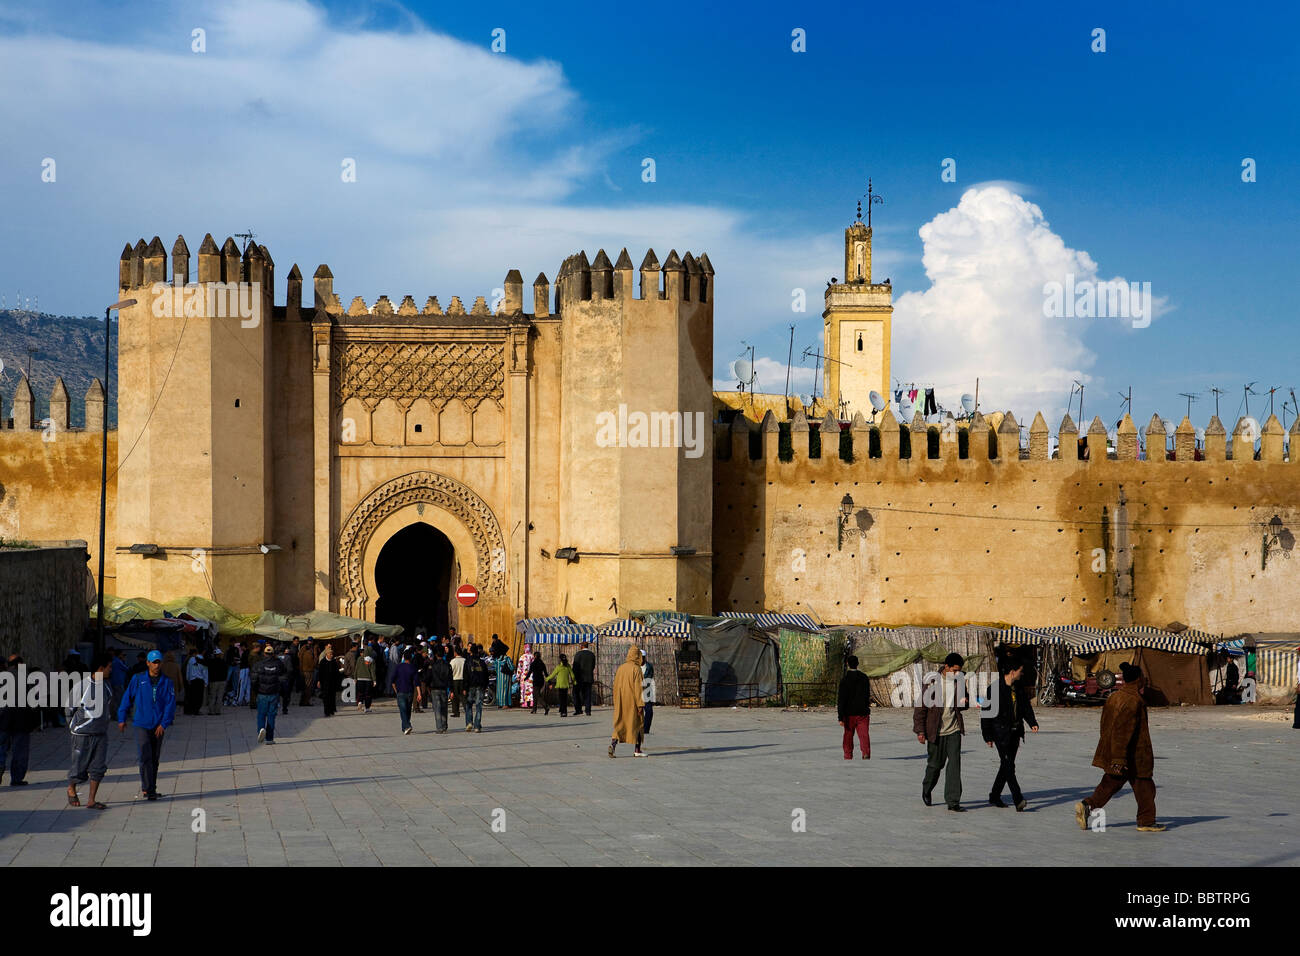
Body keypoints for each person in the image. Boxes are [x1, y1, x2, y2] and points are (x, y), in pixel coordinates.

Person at [1076, 662, 1166, 832]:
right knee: (1144, 786)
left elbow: (1105, 725)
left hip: (1117, 751)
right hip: (1132, 754)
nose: (1145, 679)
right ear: (1138, 679)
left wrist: (1111, 751)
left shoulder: (1114, 697)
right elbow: (1122, 731)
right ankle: (1146, 821)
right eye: (1143, 677)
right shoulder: (1134, 701)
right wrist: (1119, 757)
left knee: (1111, 784)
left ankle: (1087, 805)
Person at [980, 656, 1038, 810]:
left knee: (1007, 765)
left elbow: (1025, 706)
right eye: (1020, 671)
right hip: (1000, 733)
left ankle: (994, 795)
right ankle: (1018, 798)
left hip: (1015, 732)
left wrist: (1032, 722)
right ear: (1012, 672)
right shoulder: (994, 689)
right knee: (1008, 766)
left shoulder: (1017, 687)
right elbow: (986, 713)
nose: (1022, 674)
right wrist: (987, 735)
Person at [117, 650, 176, 800]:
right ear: (148, 663)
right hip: (141, 724)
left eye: (158, 662)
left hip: (158, 726)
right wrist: (121, 718)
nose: (157, 665)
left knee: (154, 758)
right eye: (154, 662)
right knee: (145, 756)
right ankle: (147, 789)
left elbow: (170, 704)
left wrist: (164, 724)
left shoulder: (167, 682)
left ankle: (151, 787)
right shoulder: (138, 679)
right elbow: (127, 698)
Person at [913, 653, 969, 812]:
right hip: (935, 732)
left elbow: (963, 702)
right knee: (935, 765)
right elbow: (921, 708)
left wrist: (965, 701)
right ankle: (927, 788)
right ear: (946, 667)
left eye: (959, 671)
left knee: (954, 765)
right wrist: (920, 731)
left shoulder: (959, 681)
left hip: (954, 730)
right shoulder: (931, 682)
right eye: (955, 670)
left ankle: (953, 801)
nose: (957, 674)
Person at [67, 652, 114, 810]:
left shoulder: (107, 686)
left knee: (98, 767)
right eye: (109, 667)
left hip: (101, 734)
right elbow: (69, 708)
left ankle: (91, 800)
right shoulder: (82, 686)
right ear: (101, 668)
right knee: (79, 767)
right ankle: (71, 787)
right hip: (82, 735)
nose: (111, 670)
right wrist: (74, 727)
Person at [0, 655, 40, 786]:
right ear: (21, 663)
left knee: (1, 747)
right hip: (21, 719)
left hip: (3, 719)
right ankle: (17, 778)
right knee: (20, 750)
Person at [609, 646, 645, 757]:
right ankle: (637, 750)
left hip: (621, 700)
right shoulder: (636, 669)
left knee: (620, 723)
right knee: (638, 723)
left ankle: (613, 745)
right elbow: (638, 688)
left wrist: (616, 700)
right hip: (632, 702)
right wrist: (640, 704)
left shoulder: (621, 668)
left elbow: (615, 686)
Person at [251, 643, 289, 743]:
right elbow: (285, 677)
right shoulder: (279, 664)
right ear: (273, 654)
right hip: (273, 693)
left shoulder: (258, 665)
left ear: (264, 654)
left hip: (262, 693)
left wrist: (256, 690)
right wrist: (278, 686)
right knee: (271, 715)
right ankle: (269, 738)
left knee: (261, 714)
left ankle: (261, 729)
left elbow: (253, 680)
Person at [837, 655, 871, 759]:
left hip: (849, 713)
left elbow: (841, 700)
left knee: (848, 735)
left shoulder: (845, 680)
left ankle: (848, 755)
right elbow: (867, 695)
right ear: (858, 664)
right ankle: (866, 752)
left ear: (847, 664)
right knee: (864, 734)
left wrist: (840, 716)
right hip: (862, 712)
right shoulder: (864, 678)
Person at [393, 649, 420, 735]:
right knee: (407, 710)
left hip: (400, 691)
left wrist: (396, 690)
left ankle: (407, 726)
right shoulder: (413, 668)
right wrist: (419, 694)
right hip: (410, 692)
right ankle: (405, 727)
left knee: (403, 710)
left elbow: (392, 680)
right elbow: (416, 682)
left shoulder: (398, 667)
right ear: (411, 658)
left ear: (403, 657)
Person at [462, 645, 488, 732]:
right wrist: (485, 686)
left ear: (471, 652)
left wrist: (464, 688)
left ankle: (469, 722)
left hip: (470, 686)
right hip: (480, 686)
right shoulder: (482, 662)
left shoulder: (467, 662)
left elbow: (465, 676)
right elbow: (486, 675)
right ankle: (477, 726)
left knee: (468, 704)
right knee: (478, 706)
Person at [426, 645, 452, 733]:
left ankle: (439, 727)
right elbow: (450, 677)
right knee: (444, 708)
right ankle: (444, 726)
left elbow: (428, 677)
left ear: (436, 654)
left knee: (437, 708)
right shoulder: (447, 665)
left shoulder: (433, 665)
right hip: (444, 688)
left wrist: (427, 686)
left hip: (435, 688)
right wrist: (451, 689)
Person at [316, 644, 344, 717]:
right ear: (327, 654)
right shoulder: (322, 662)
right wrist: (319, 681)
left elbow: (337, 672)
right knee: (325, 697)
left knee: (332, 697)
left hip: (333, 683)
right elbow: (320, 672)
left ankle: (331, 710)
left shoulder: (334, 662)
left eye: (332, 654)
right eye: (330, 654)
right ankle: (326, 711)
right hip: (325, 683)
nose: (331, 655)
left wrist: (338, 681)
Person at [572, 640, 596, 717]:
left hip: (579, 678)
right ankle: (588, 710)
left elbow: (575, 667)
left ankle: (578, 709)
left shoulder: (578, 654)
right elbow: (593, 666)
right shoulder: (592, 655)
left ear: (581, 646)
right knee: (587, 694)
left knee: (576, 693)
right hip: (589, 677)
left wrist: (574, 677)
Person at [184, 647, 207, 716]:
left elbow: (188, 670)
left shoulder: (190, 660)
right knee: (199, 696)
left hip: (193, 680)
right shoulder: (202, 660)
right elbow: (205, 671)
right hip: (200, 680)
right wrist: (206, 681)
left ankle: (192, 710)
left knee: (193, 696)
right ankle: (197, 710)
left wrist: (188, 679)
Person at [205, 644, 228, 715]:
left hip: (213, 681)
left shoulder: (210, 662)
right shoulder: (223, 662)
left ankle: (211, 711)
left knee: (212, 696)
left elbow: (203, 663)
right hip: (222, 681)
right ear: (219, 655)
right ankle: (218, 711)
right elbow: (226, 671)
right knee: (220, 696)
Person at [526, 648, 548, 715]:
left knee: (537, 695)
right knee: (535, 694)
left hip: (536, 680)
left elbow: (530, 672)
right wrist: (549, 681)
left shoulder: (533, 663)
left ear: (534, 656)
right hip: (541, 680)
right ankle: (534, 709)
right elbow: (546, 673)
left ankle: (546, 707)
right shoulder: (542, 663)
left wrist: (526, 678)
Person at [492, 645, 515, 709]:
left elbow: (496, 669)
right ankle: (505, 704)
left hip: (499, 678)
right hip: (506, 677)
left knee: (499, 690)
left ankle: (500, 703)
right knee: (506, 690)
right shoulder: (507, 658)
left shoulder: (497, 660)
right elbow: (512, 668)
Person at [640, 650, 656, 734]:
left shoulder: (649, 667)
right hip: (636, 691)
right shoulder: (634, 667)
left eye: (642, 657)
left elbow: (649, 678)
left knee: (649, 711)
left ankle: (646, 730)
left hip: (647, 691)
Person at [449, 646, 467, 719]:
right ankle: (467, 710)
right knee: (464, 697)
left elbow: (450, 672)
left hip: (455, 680)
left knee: (455, 697)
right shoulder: (465, 660)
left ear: (455, 653)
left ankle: (456, 712)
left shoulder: (452, 661)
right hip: (463, 680)